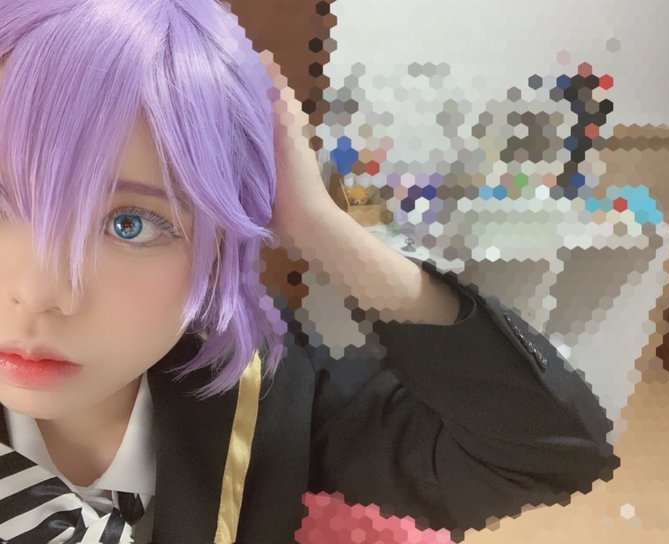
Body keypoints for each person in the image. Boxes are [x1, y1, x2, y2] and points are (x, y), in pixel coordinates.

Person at [0, 1, 619, 543]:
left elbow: (545, 452)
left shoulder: (262, 396)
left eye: (130, 223)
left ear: (216, 248)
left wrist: (320, 227)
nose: (36, 293)